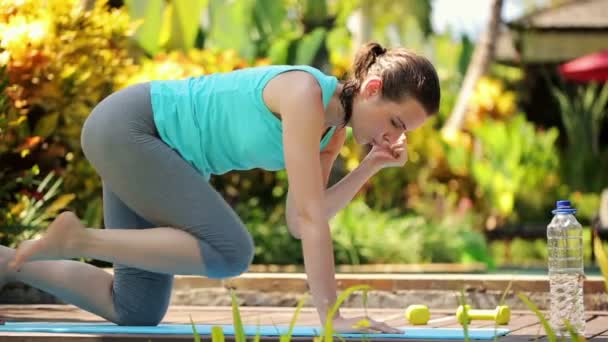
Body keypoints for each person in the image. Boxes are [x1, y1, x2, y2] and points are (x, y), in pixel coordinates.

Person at [0, 41, 440, 334]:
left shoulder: (332, 133)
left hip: (156, 152)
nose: (393, 138)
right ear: (372, 88)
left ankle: (8, 262)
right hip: (133, 127)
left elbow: (299, 219)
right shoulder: (305, 94)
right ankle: (79, 238)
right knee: (230, 252)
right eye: (395, 122)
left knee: (136, 308)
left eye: (404, 133)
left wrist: (369, 167)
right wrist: (333, 316)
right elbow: (308, 219)